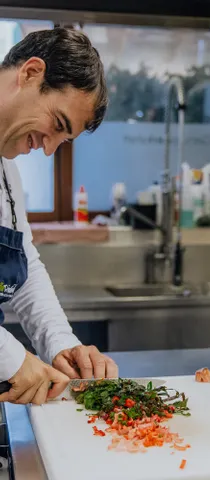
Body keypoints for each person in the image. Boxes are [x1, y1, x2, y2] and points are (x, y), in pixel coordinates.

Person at [0, 27, 118, 406]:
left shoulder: (7, 168)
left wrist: (61, 343)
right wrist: (12, 358)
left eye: (63, 141)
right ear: (31, 73)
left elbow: (22, 261)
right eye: (57, 125)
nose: (49, 150)